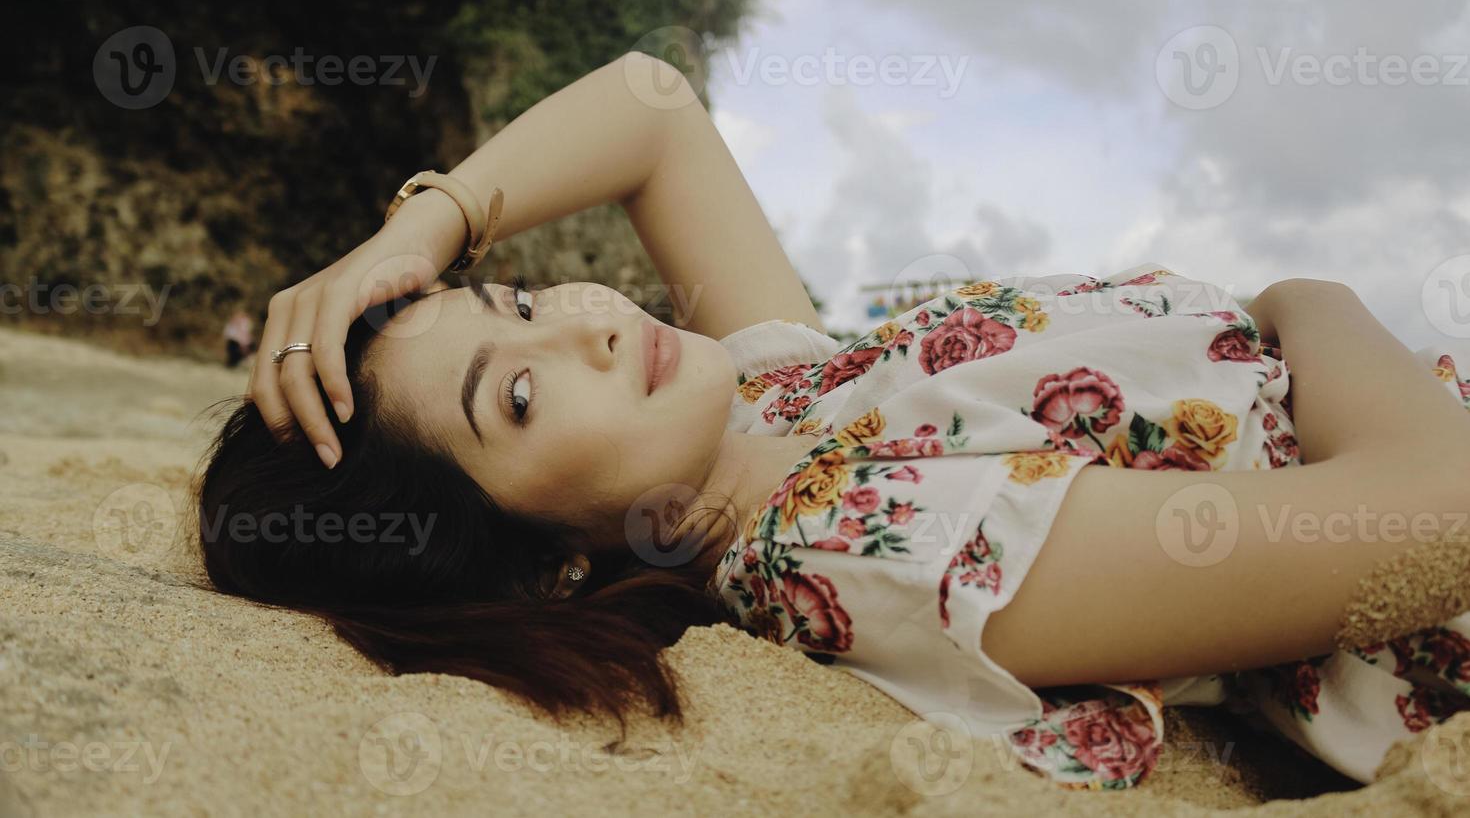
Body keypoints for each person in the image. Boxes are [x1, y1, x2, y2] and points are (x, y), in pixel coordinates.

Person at [194, 53, 1470, 788]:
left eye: (517, 296)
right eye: (516, 395)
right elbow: (1432, 522)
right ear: (548, 560)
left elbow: (651, 107)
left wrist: (421, 225)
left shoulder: (772, 395)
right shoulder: (854, 545)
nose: (578, 322)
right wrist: (1314, 299)